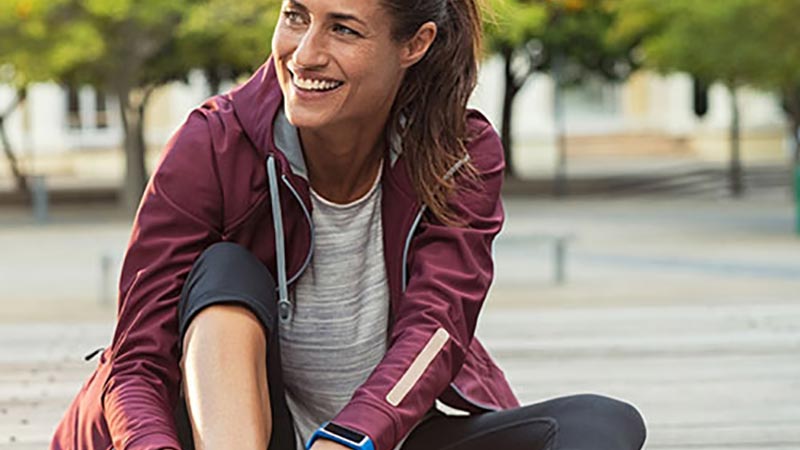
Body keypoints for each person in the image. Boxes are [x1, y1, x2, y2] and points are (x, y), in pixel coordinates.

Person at [51, 0, 647, 449]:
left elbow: (437, 326)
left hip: (371, 438)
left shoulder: (459, 153)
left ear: (415, 43)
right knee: (225, 269)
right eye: (295, 16)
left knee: (601, 424)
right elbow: (135, 361)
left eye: (343, 28)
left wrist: (351, 439)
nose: (305, 53)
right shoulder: (214, 143)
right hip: (213, 438)